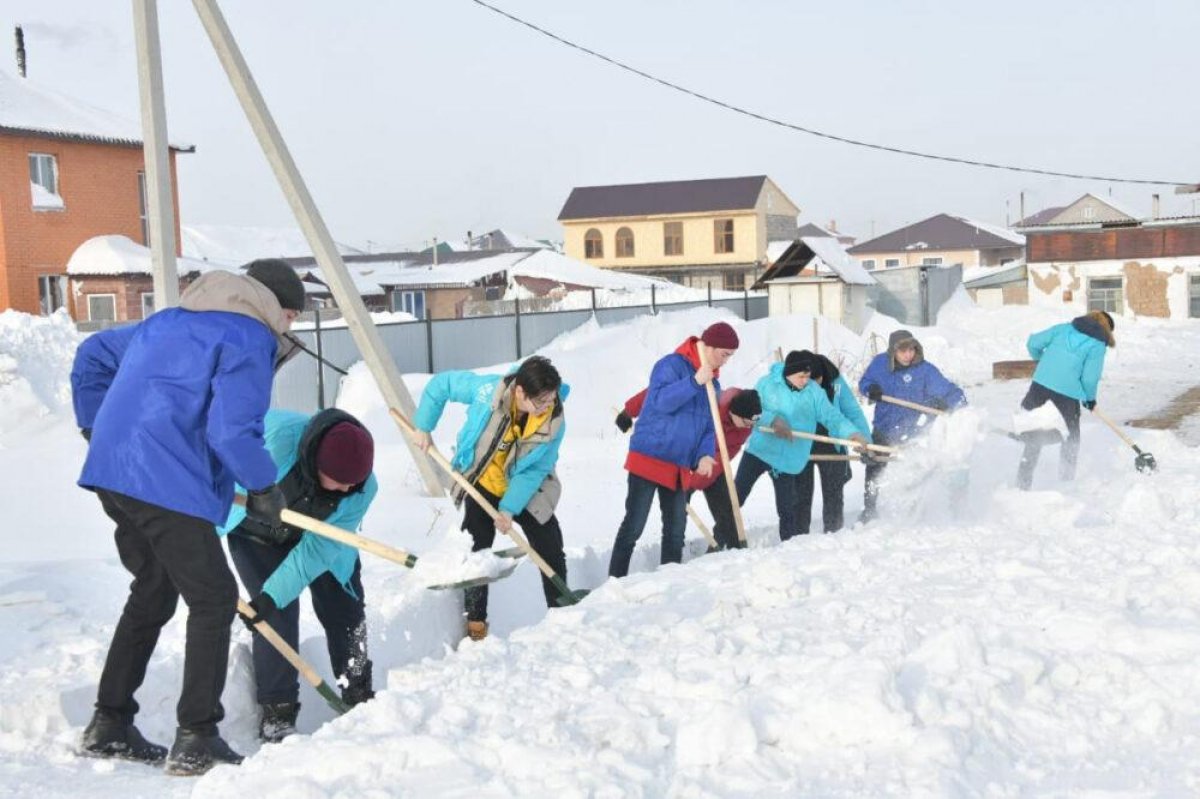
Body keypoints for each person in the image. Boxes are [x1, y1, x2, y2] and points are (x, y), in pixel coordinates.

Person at [70, 259, 306, 775]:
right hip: (164, 480)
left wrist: (97, 428)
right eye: (291, 315)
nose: (288, 327)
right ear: (274, 305)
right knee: (214, 598)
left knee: (154, 589)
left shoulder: (169, 321)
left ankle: (110, 724)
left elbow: (93, 353)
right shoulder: (250, 337)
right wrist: (263, 487)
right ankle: (197, 737)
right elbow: (231, 431)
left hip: (115, 471)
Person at [219, 408, 379, 742]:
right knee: (274, 615)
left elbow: (317, 551)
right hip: (256, 534)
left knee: (345, 607)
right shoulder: (273, 444)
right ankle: (278, 713)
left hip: (321, 536)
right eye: (339, 481)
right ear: (316, 464)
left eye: (353, 484)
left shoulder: (362, 488)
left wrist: (275, 592)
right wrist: (269, 598)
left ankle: (358, 688)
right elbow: (214, 480)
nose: (346, 489)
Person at [412, 356, 569, 642]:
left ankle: (561, 612)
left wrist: (508, 509)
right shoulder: (487, 392)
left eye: (551, 398)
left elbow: (534, 470)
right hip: (482, 481)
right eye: (541, 401)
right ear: (520, 392)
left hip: (524, 485)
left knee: (549, 543)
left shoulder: (554, 422)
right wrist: (424, 426)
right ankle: (476, 623)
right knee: (476, 551)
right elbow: (442, 385)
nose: (548, 406)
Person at [608, 322, 739, 577]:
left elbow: (708, 427)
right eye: (725, 354)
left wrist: (704, 454)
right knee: (634, 525)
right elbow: (660, 402)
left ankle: (669, 581)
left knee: (676, 530)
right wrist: (694, 382)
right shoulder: (670, 365)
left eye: (730, 356)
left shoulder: (714, 385)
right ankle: (615, 580)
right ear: (710, 347)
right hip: (649, 457)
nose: (726, 361)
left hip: (678, 466)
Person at [735, 350, 868, 541]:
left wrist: (852, 433)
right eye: (802, 376)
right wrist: (773, 420)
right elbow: (751, 409)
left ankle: (790, 547)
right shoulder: (767, 384)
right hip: (760, 451)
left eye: (808, 376)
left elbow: (832, 417)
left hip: (789, 458)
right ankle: (722, 540)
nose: (807, 381)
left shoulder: (813, 391)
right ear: (789, 373)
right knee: (736, 497)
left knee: (788, 510)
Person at [617, 385, 761, 550]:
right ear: (735, 412)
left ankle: (736, 554)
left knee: (727, 514)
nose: (749, 427)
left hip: (712, 465)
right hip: (682, 460)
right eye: (746, 422)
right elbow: (659, 392)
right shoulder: (706, 399)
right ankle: (675, 556)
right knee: (676, 517)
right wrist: (628, 411)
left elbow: (726, 454)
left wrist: (700, 476)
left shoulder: (745, 427)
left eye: (752, 424)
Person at [858, 329, 967, 523]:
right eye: (903, 351)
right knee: (875, 467)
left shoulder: (924, 370)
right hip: (885, 426)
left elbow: (949, 390)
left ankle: (913, 510)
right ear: (893, 351)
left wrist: (957, 406)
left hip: (914, 430)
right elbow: (865, 382)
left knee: (916, 468)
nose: (908, 355)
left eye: (912, 350)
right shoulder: (880, 364)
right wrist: (870, 389)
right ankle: (869, 508)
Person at [1016, 310, 1114, 489]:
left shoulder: (1063, 329)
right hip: (1066, 395)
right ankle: (1066, 484)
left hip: (1040, 386)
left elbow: (1033, 343)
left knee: (1034, 433)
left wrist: (1042, 361)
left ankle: (1022, 484)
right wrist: (1090, 399)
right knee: (1071, 437)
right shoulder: (1097, 345)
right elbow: (1090, 378)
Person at [796, 352, 871, 534]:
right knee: (800, 496)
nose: (815, 385)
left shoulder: (835, 380)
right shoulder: (793, 381)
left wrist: (865, 440)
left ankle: (833, 534)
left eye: (818, 380)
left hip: (832, 442)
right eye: (810, 382)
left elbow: (852, 410)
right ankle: (797, 538)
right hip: (801, 444)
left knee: (833, 494)